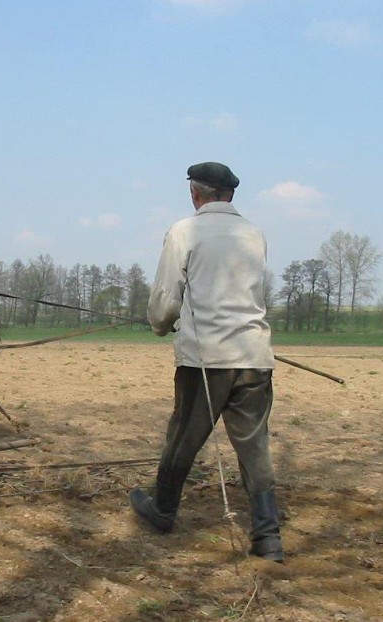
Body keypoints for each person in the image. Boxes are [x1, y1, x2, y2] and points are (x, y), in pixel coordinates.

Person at [130, 161, 284, 563]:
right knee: (255, 446)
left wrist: (160, 325)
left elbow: (165, 301)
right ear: (230, 195)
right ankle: (268, 537)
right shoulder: (255, 234)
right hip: (254, 357)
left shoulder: (185, 231)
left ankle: (163, 510)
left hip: (205, 360)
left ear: (195, 194)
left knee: (183, 437)